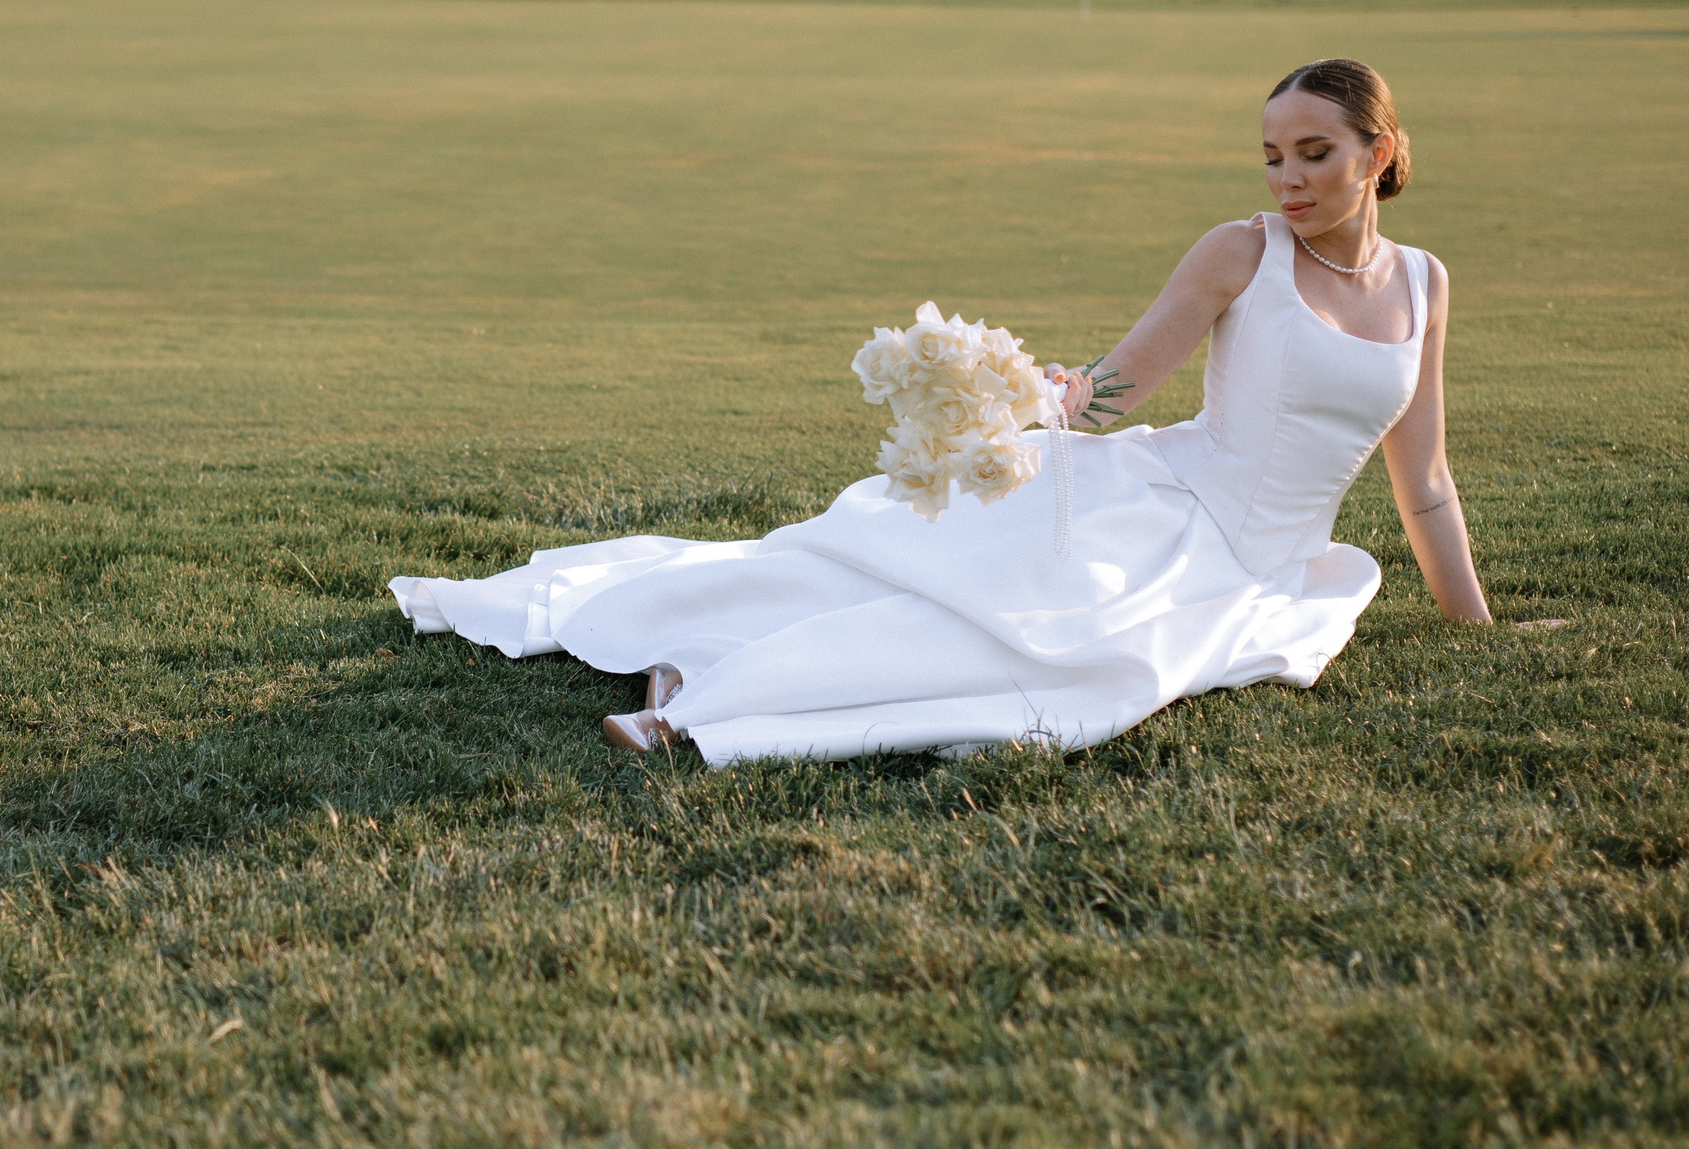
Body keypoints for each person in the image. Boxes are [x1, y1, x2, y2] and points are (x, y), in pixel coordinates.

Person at [389, 58, 1491, 765]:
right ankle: (698, 694)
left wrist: (1476, 629)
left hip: (1266, 568)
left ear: (1377, 153)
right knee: (1003, 631)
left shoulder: (1426, 285)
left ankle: (699, 671)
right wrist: (1034, 395)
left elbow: (1424, 479)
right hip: (1168, 509)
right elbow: (1113, 391)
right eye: (1269, 155)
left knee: (1088, 672)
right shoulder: (1237, 253)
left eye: (1313, 154)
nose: (1285, 178)